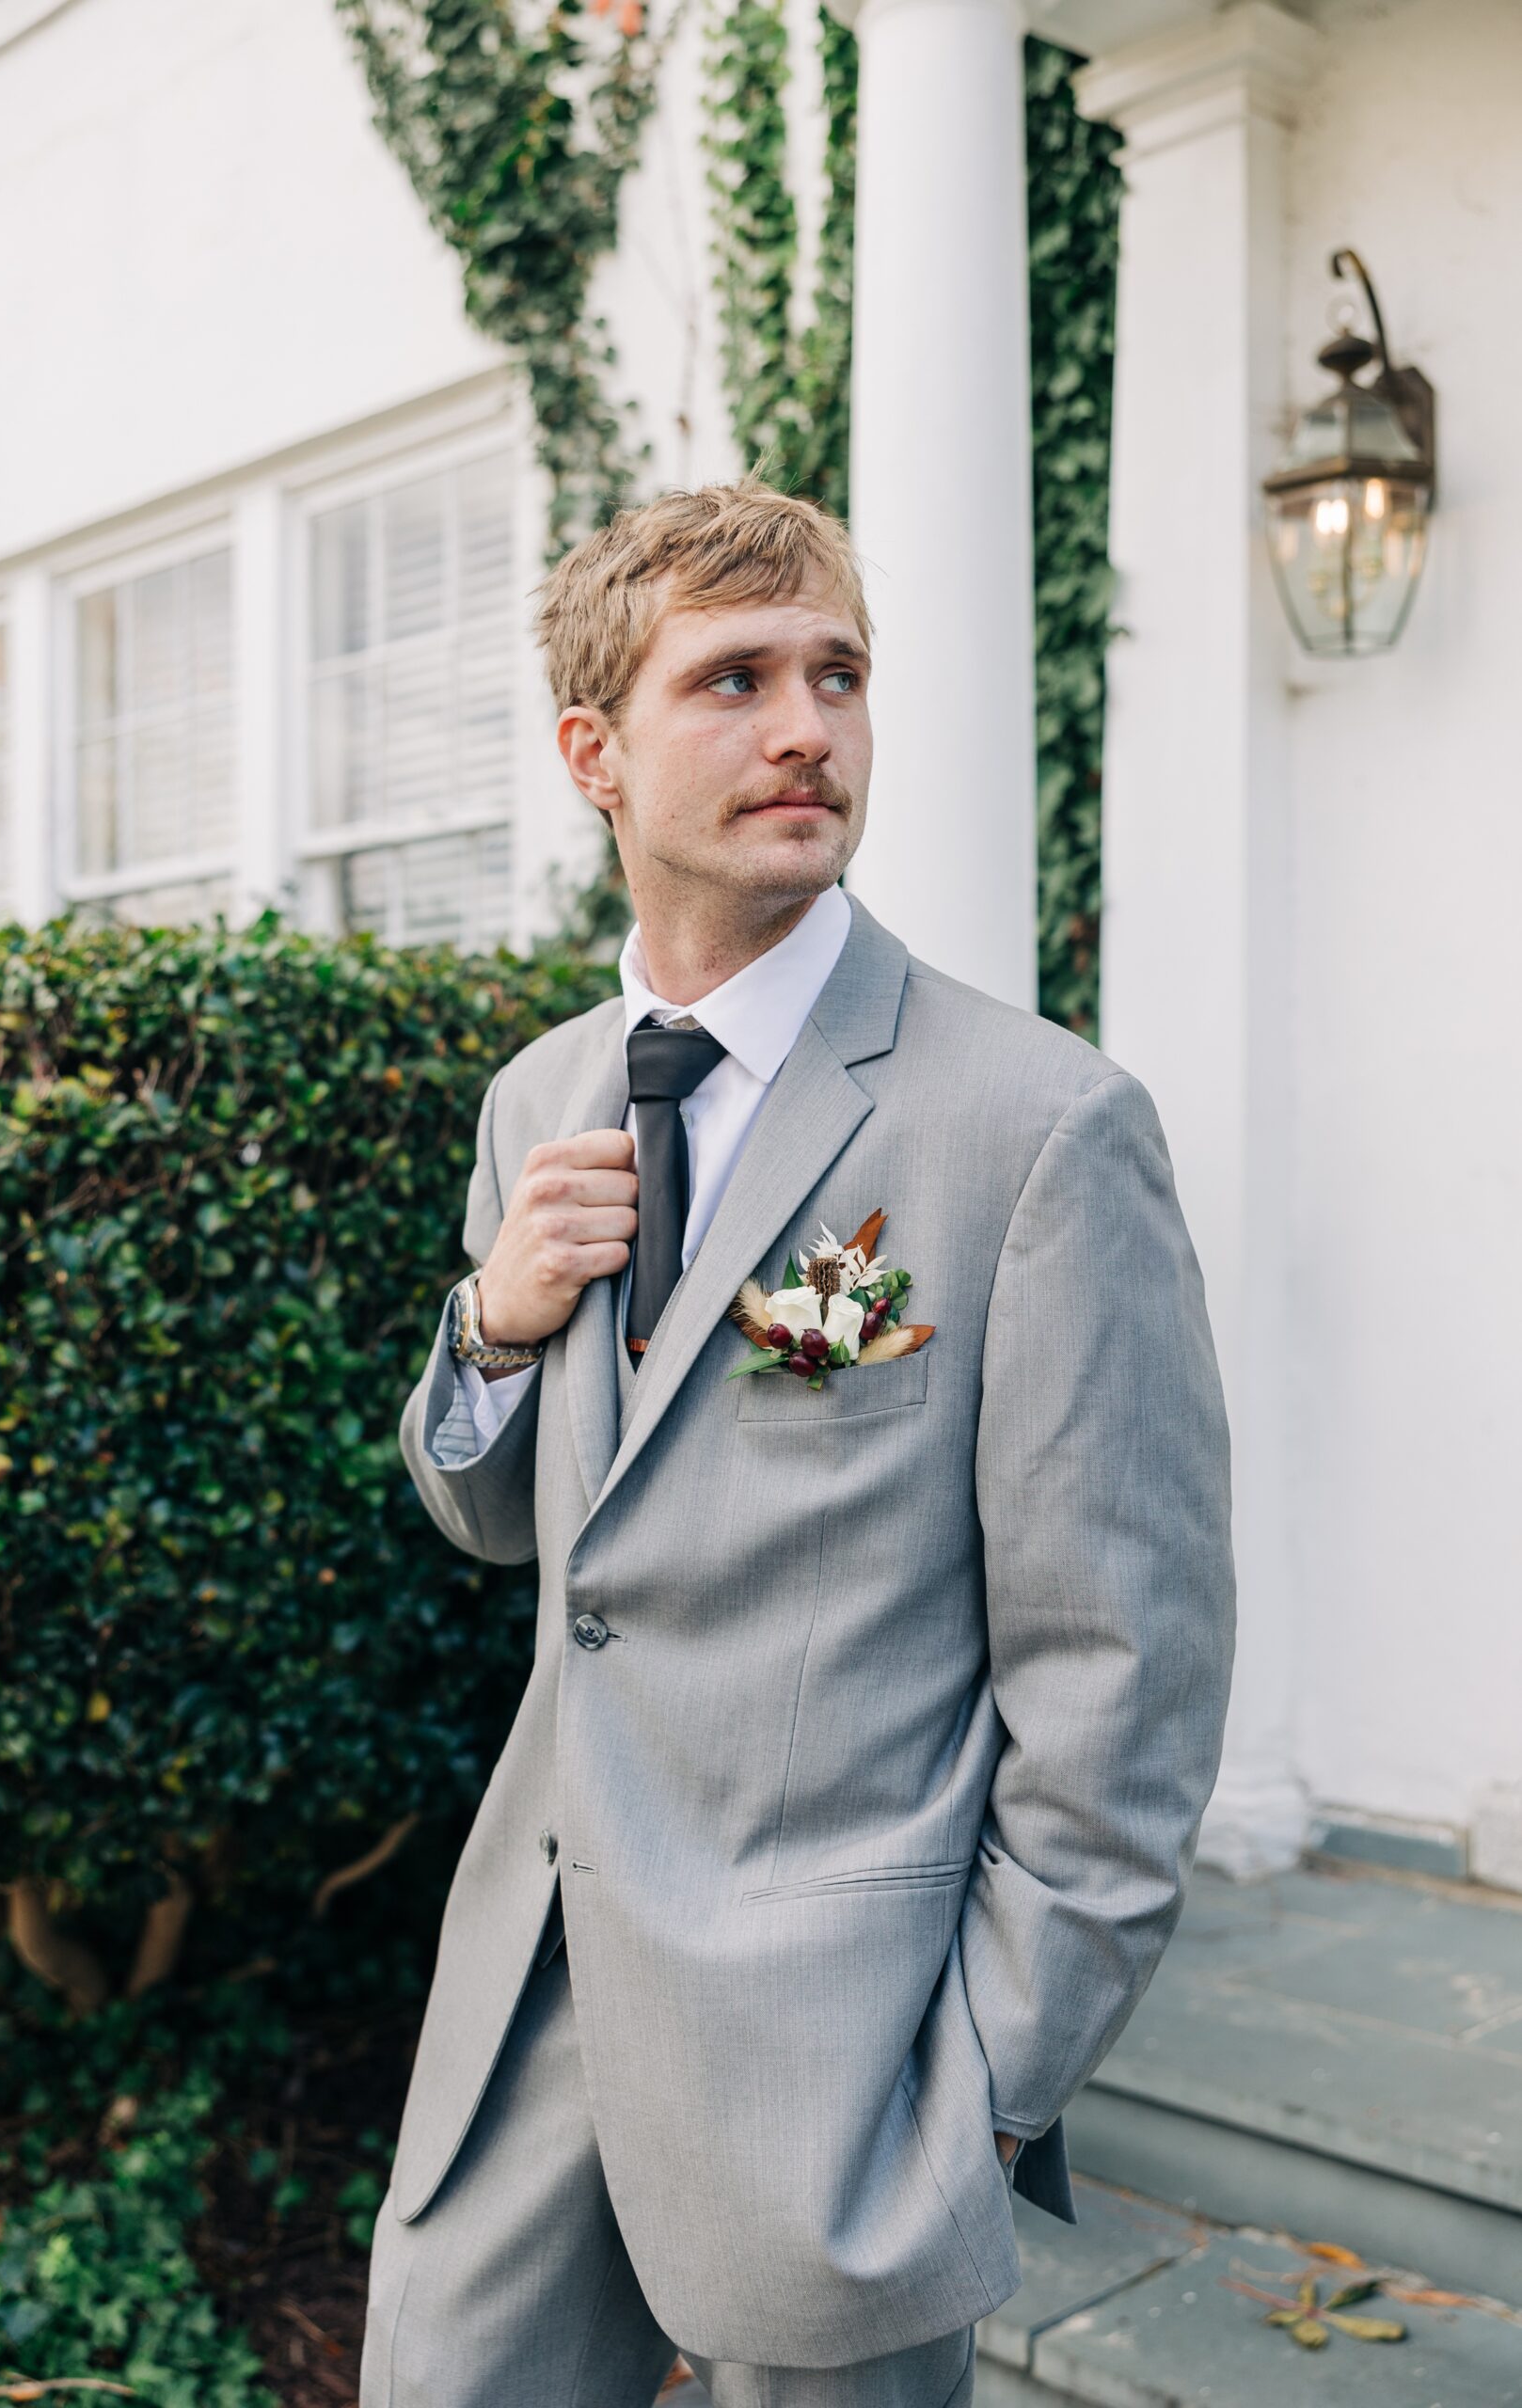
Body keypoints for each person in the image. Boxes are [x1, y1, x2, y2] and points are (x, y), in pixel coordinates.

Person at [359, 476, 1236, 2408]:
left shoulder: (1035, 1126)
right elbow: (500, 1522)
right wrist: (489, 1327)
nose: (803, 728)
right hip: (534, 1999)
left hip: (837, 2063)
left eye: (836, 674)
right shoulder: (540, 1098)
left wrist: (984, 2085)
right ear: (593, 753)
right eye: (733, 676)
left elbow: (1124, 1678)